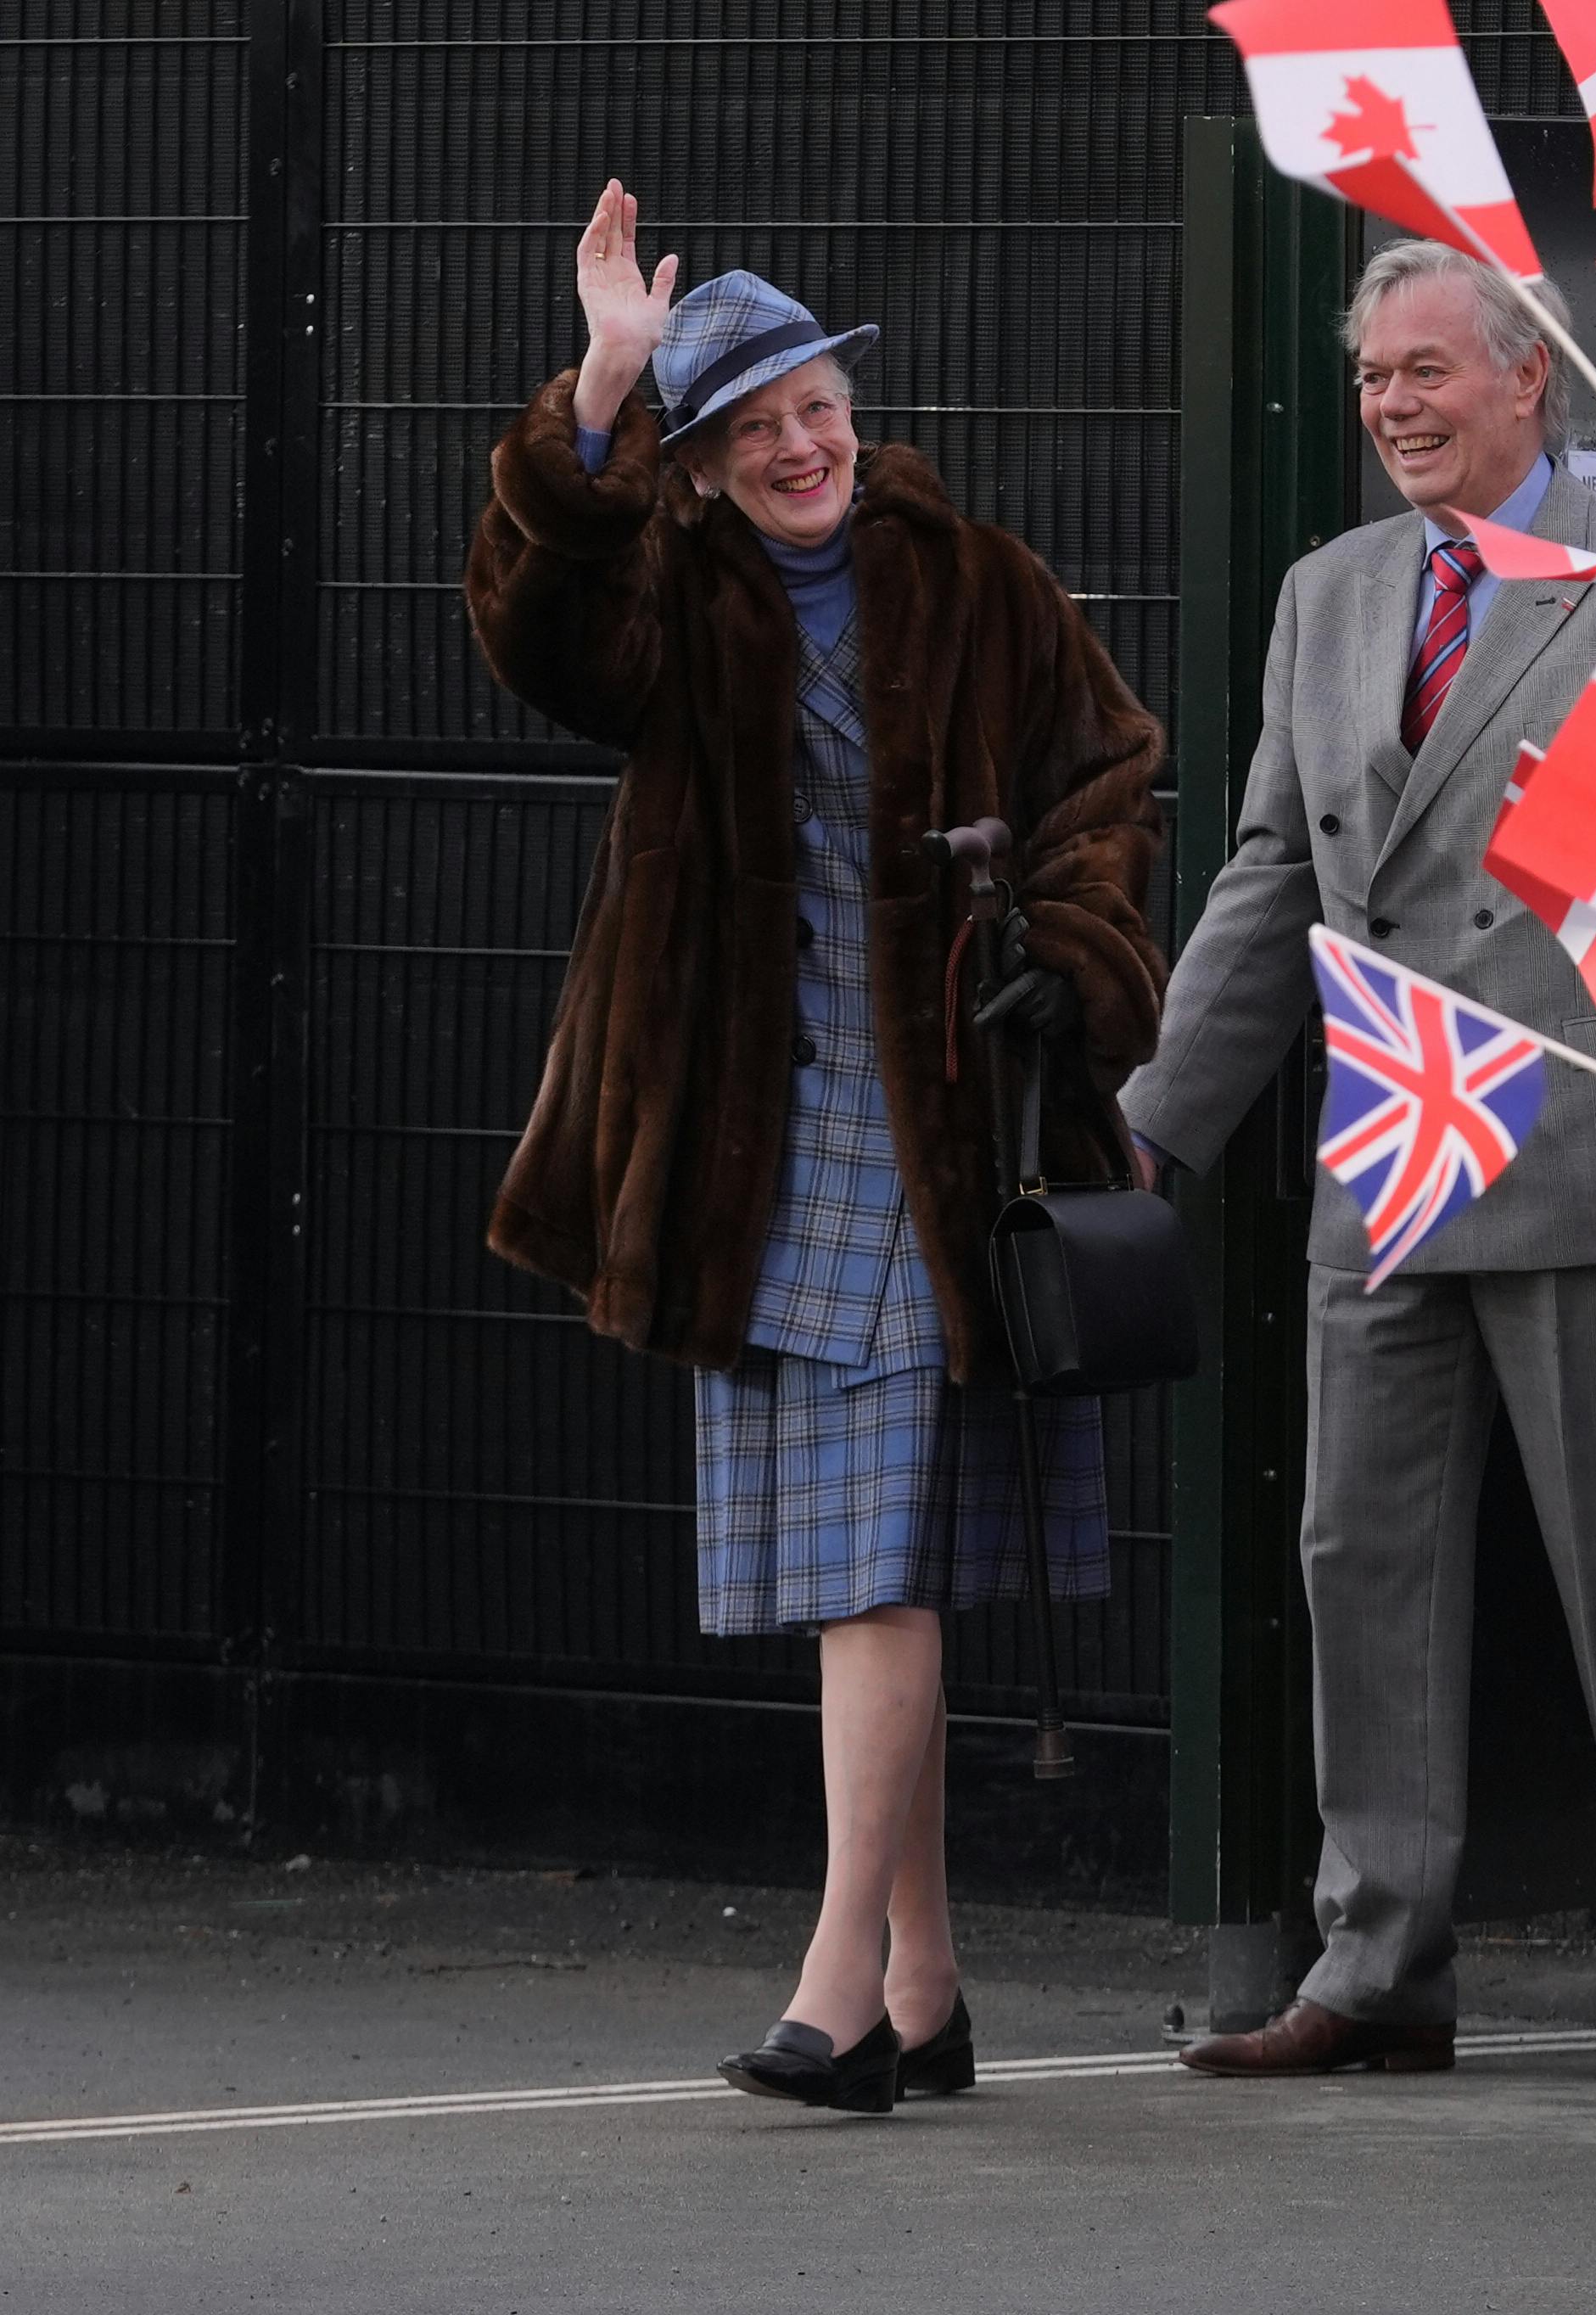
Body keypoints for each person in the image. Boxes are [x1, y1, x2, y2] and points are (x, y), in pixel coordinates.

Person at [465, 182, 1166, 2113]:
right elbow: (536, 635)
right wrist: (595, 389)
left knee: (873, 1572)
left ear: (855, 405)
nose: (799, 442)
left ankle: (841, 1984)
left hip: (941, 1124)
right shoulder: (669, 597)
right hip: (748, 1143)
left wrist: (1084, 954)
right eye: (750, 422)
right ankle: (931, 1982)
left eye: (816, 404)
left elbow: (1108, 780)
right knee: (883, 1568)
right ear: (692, 464)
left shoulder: (975, 576)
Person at [1118, 240, 1596, 2083]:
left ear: (1526, 381)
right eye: (1371, 379)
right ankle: (1377, 1963)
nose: (1395, 407)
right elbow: (1270, 875)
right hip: (1392, 1142)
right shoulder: (1329, 591)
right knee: (1360, 1552)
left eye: (1429, 370)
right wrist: (1160, 1108)